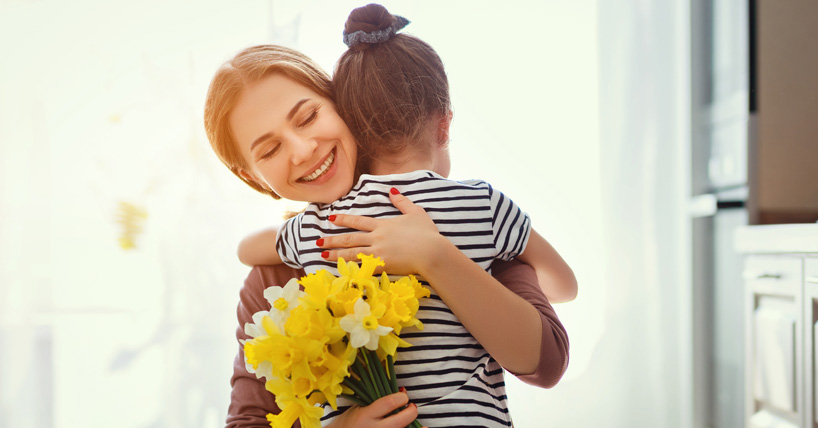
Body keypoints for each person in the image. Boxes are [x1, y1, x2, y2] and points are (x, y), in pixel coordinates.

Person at [204, 6, 573, 427]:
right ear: (251, 176)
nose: (303, 150)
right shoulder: (272, 277)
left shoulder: (463, 218)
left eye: (308, 117)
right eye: (269, 150)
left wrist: (434, 256)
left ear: (340, 102)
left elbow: (546, 363)